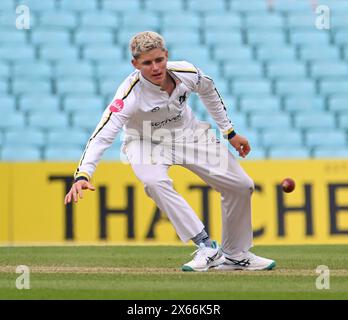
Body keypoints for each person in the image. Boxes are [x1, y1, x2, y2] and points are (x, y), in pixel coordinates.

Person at [64, 31, 276, 272]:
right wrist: (83, 174)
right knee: (153, 181)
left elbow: (209, 90)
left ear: (166, 55)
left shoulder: (186, 72)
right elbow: (102, 134)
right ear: (135, 64)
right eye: (147, 63)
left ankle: (235, 254)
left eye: (159, 60)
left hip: (189, 134)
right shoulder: (129, 94)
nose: (155, 67)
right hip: (144, 141)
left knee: (241, 185)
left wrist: (229, 132)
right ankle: (206, 246)